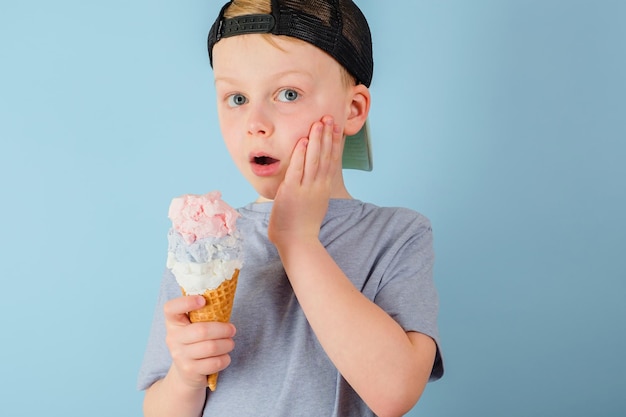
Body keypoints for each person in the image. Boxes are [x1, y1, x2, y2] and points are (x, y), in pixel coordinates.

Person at [138, 1, 444, 416]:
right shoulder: (204, 244)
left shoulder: (398, 234)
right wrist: (186, 376)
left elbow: (395, 392)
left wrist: (296, 238)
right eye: (237, 97)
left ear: (352, 109)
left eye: (287, 94)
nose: (255, 122)